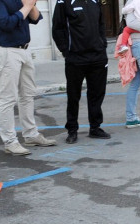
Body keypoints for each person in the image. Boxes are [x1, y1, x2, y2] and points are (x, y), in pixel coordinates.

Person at [0, 0, 56, 156]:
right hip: (5, 50)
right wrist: (27, 6)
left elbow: (35, 18)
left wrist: (31, 4)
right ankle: (10, 141)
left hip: (24, 49)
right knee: (8, 97)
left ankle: (31, 134)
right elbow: (6, 23)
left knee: (27, 94)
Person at [52, 0, 111, 144]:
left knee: (97, 94)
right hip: (75, 58)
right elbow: (57, 28)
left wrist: (103, 45)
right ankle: (72, 130)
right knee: (73, 96)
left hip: (98, 56)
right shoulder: (63, 2)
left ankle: (95, 128)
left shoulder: (95, 1)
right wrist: (66, 51)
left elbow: (100, 24)